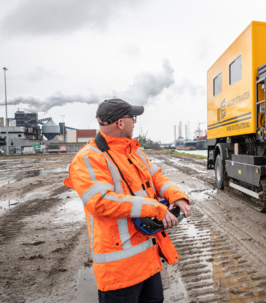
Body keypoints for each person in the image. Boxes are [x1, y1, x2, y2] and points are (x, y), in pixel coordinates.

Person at [64, 98, 190, 303]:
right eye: (133, 118)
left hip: (148, 261)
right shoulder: (88, 158)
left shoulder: (133, 151)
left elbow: (156, 177)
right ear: (120, 123)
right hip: (119, 273)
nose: (135, 122)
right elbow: (101, 201)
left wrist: (176, 195)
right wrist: (156, 208)